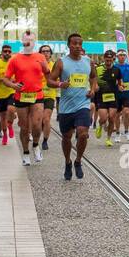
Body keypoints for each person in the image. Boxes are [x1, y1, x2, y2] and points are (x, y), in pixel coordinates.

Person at [46, 34, 96, 180]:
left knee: (82, 133)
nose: (77, 46)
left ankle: (78, 160)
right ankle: (67, 161)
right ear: (69, 45)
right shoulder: (62, 62)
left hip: (83, 104)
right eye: (74, 44)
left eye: (79, 44)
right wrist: (61, 84)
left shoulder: (88, 61)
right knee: (66, 137)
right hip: (67, 106)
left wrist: (92, 89)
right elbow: (49, 81)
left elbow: (93, 77)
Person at [5, 32, 51, 165]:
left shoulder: (40, 57)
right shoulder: (15, 59)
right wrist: (14, 85)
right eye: (26, 40)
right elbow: (5, 79)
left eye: (31, 40)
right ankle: (25, 152)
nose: (28, 42)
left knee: (37, 125)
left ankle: (36, 145)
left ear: (34, 41)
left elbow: (47, 74)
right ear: (22, 41)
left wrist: (51, 79)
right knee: (24, 127)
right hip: (21, 96)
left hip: (37, 95)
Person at [93, 49, 124, 147]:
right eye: (107, 60)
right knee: (103, 118)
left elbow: (120, 81)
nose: (109, 62)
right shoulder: (98, 69)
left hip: (113, 97)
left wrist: (121, 86)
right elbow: (93, 80)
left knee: (111, 118)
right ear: (104, 59)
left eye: (111, 61)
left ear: (113, 60)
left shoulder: (117, 70)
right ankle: (100, 126)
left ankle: (108, 138)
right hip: (101, 97)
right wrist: (95, 86)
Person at [38, 43, 58, 151]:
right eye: (43, 51)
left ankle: (45, 141)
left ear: (50, 54)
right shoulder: (36, 64)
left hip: (50, 95)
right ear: (40, 53)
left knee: (46, 119)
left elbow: (58, 80)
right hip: (37, 95)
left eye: (47, 51)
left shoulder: (55, 65)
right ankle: (36, 135)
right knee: (37, 120)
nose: (46, 53)